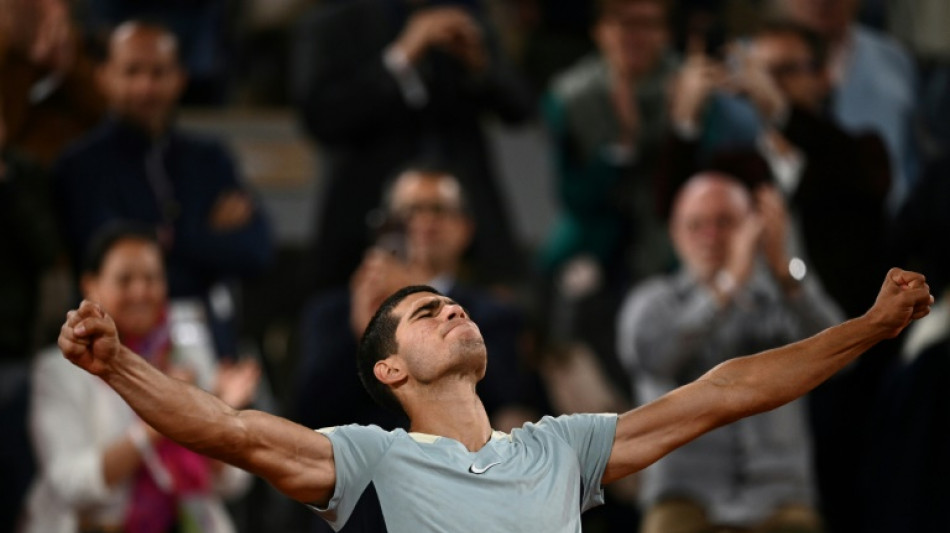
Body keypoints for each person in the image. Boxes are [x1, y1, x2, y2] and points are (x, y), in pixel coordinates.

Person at [57, 258, 931, 530]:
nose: (452, 310)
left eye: (454, 302)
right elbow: (228, 430)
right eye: (425, 313)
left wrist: (866, 327)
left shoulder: (560, 447)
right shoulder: (374, 456)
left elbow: (724, 391)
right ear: (390, 370)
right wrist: (118, 364)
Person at [617, 173, 843, 533]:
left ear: (753, 229)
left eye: (725, 222)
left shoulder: (779, 301)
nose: (710, 236)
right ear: (674, 233)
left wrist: (785, 270)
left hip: (780, 498)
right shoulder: (651, 302)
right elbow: (656, 359)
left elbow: (843, 356)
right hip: (684, 498)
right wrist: (725, 286)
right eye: (696, 224)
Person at [53, 21, 273, 359]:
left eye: (158, 72)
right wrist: (205, 237)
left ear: (180, 78)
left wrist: (168, 239)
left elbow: (256, 250)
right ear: (104, 77)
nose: (146, 86)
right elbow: (108, 257)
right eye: (132, 71)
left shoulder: (210, 159)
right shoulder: (79, 166)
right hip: (114, 349)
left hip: (211, 343)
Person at [24, 223, 260, 533]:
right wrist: (165, 414)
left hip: (189, 523)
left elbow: (234, 482)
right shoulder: (58, 369)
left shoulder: (187, 354)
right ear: (90, 285)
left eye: (151, 278)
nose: (140, 291)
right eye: (125, 279)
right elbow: (72, 485)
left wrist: (223, 420)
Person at [291, 0, 535, 291]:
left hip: (469, 223)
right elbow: (321, 118)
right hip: (363, 222)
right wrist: (399, 59)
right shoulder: (332, 23)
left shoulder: (465, 17)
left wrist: (480, 65)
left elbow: (520, 109)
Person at [296, 166, 542, 434]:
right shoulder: (333, 312)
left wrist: (417, 296)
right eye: (410, 211)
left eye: (438, 210)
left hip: (455, 465)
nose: (424, 222)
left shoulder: (494, 315)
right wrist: (363, 336)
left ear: (465, 229)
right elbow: (308, 414)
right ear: (384, 226)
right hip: (357, 465)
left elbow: (504, 399)